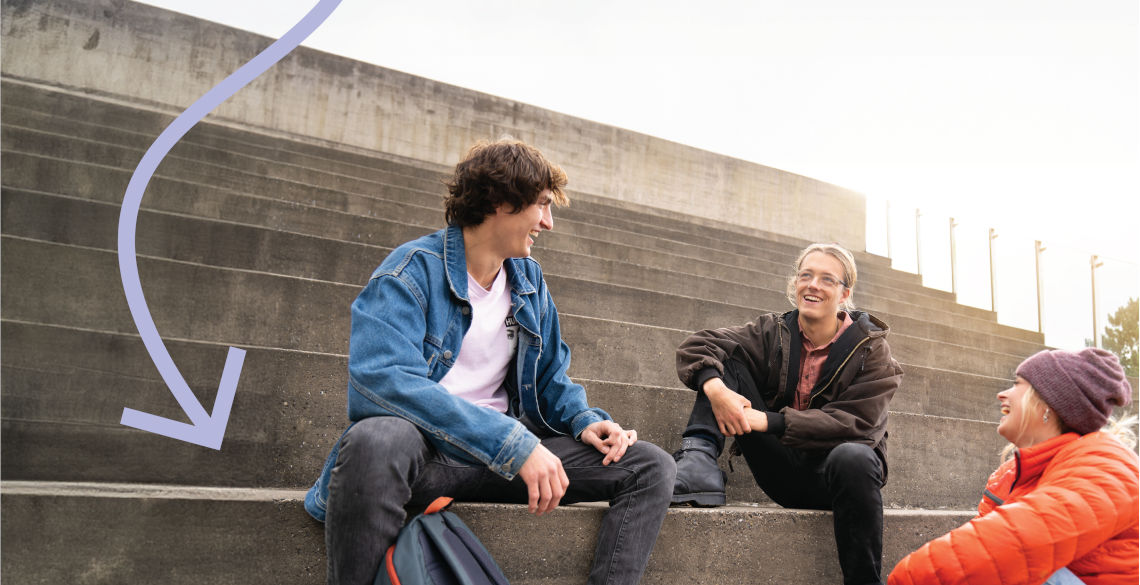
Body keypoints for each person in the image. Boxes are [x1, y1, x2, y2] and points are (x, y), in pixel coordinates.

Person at [304, 138, 677, 585]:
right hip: (429, 457)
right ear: (500, 201)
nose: (548, 222)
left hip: (504, 461)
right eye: (540, 206)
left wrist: (584, 420)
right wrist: (513, 444)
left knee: (651, 466)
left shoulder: (529, 281)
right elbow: (382, 381)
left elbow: (551, 378)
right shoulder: (409, 272)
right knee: (376, 439)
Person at [671, 242, 903, 585]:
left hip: (836, 479)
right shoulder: (773, 331)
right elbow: (698, 344)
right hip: (780, 470)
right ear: (794, 283)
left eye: (827, 279)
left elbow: (858, 425)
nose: (813, 285)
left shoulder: (872, 351)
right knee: (727, 360)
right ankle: (698, 460)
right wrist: (717, 390)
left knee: (854, 458)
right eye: (806, 275)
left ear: (844, 293)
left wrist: (768, 420)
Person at [888, 348, 1138, 585]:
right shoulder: (1008, 477)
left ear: (1048, 404)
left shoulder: (1104, 464)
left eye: (1017, 384)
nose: (1002, 394)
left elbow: (1012, 544)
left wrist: (906, 578)